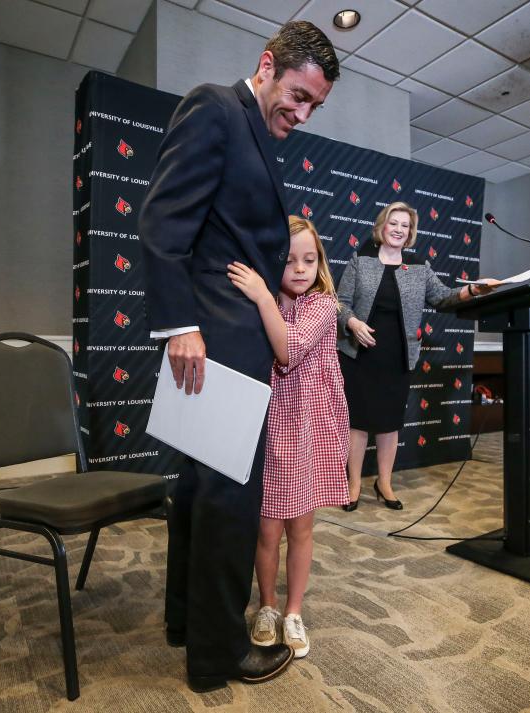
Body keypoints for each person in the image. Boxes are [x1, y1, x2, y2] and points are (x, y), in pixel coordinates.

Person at [138, 22, 339, 693]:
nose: (303, 113)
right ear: (267, 65)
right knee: (227, 502)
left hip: (223, 341)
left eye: (315, 105)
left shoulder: (251, 128)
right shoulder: (215, 107)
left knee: (198, 495)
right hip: (212, 342)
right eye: (298, 95)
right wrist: (179, 326)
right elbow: (164, 221)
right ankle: (219, 655)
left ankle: (186, 624)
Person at [226, 216, 349, 660]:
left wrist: (261, 294)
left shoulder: (321, 304)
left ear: (320, 263)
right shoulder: (269, 300)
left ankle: (294, 610)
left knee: (301, 526)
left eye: (310, 259)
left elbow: (289, 350)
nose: (300, 269)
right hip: (270, 423)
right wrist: (263, 296)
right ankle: (269, 607)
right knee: (267, 527)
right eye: (291, 259)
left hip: (308, 426)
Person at [336, 202, 499, 511]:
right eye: (393, 223)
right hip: (359, 355)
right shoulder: (361, 260)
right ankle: (353, 483)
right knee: (356, 423)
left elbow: (443, 297)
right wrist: (353, 323)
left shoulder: (419, 266)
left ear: (410, 232)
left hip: (397, 356)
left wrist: (475, 290)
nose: (399, 229)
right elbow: (340, 302)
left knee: (389, 423)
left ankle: (384, 483)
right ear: (382, 227)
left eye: (405, 225)